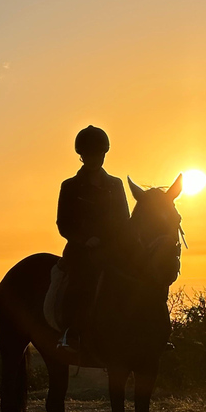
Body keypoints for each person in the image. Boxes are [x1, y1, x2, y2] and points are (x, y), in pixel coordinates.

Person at [56, 126, 130, 352]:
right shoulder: (69, 186)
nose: (94, 159)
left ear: (104, 154)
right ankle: (69, 332)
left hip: (112, 247)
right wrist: (85, 239)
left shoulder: (116, 185)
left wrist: (110, 240)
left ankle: (149, 331)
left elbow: (124, 219)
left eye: (98, 154)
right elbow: (63, 223)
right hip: (82, 250)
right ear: (82, 155)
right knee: (79, 282)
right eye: (89, 154)